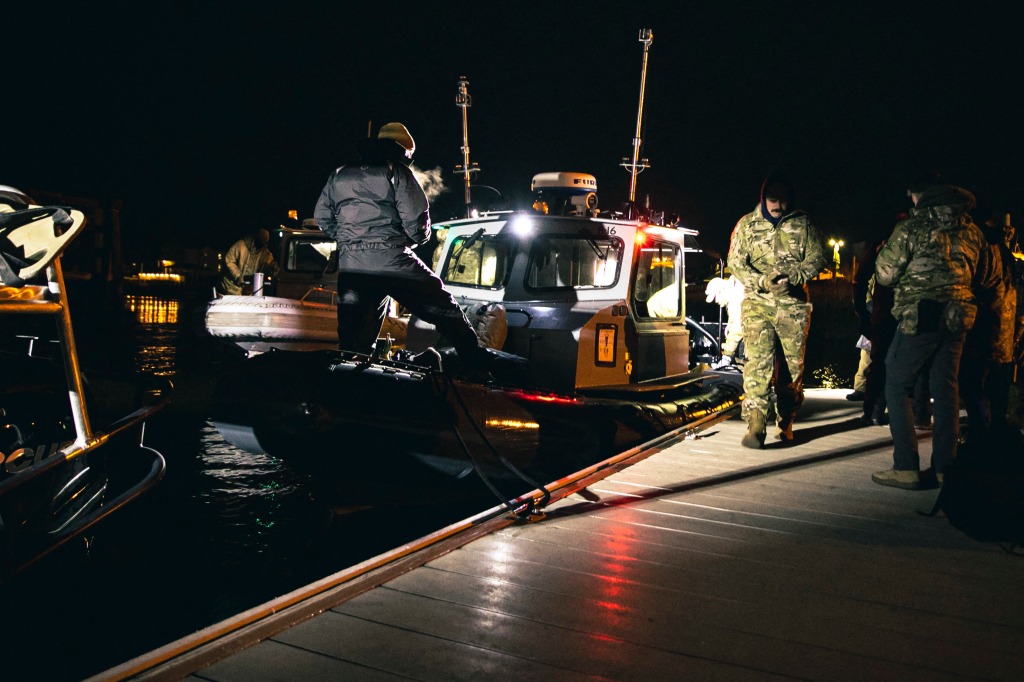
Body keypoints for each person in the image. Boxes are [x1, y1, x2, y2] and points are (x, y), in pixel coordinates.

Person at [313, 122, 486, 362]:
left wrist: (349, 241)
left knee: (354, 337)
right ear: (403, 150)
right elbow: (417, 220)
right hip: (393, 261)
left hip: (352, 267)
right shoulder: (396, 171)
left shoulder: (340, 173)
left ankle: (352, 379)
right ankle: (474, 359)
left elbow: (322, 216)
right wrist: (409, 241)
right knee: (443, 307)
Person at [871, 175, 999, 489]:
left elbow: (885, 275)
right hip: (959, 317)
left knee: (896, 384)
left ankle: (906, 467)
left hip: (921, 314)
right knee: (946, 389)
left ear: (925, 200)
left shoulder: (912, 228)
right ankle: (945, 467)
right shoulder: (973, 232)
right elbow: (986, 276)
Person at [727, 172, 828, 448]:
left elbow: (819, 257)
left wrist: (793, 277)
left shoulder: (804, 224)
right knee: (757, 363)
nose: (778, 204)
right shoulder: (747, 225)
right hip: (757, 304)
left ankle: (785, 421)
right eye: (772, 198)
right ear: (763, 197)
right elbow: (735, 262)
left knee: (791, 370)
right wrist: (761, 281)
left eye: (782, 199)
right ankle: (756, 424)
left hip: (793, 308)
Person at [959, 213, 1018, 436]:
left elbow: (980, 283)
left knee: (972, 378)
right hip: (1004, 326)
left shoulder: (986, 249)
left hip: (985, 325)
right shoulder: (1004, 251)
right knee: (998, 378)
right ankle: (997, 425)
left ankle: (981, 425)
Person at [219, 228, 278, 295]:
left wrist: (273, 266)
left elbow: (269, 264)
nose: (262, 245)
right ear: (256, 239)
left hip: (247, 290)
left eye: (264, 243)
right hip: (231, 288)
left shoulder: (265, 253)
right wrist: (237, 276)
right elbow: (229, 260)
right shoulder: (240, 245)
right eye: (261, 242)